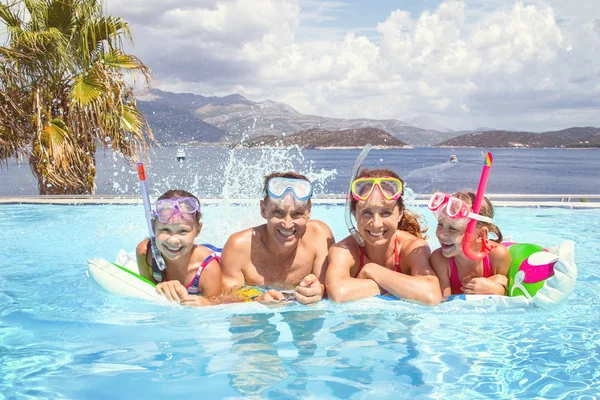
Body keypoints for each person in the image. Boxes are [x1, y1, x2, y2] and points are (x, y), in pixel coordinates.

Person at [326, 168, 441, 305]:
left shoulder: (412, 247)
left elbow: (431, 295)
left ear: (399, 214)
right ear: (354, 214)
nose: (376, 224)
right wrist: (397, 287)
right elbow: (338, 294)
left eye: (385, 213)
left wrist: (372, 270)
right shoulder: (344, 250)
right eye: (367, 213)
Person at [220, 172, 335, 305]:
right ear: (263, 209)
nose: (287, 224)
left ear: (308, 211)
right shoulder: (238, 247)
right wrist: (256, 299)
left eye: (297, 214)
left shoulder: (319, 237)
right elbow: (223, 297)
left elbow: (332, 287)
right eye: (278, 213)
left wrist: (319, 290)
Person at [136, 189, 222, 306]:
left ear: (198, 230)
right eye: (165, 230)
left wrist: (207, 304)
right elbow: (146, 292)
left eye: (182, 231)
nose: (173, 240)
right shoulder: (145, 252)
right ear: (153, 227)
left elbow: (218, 304)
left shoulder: (208, 268)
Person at [428, 191, 511, 297]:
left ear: (480, 235)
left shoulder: (498, 256)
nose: (442, 234)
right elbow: (443, 303)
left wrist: (497, 289)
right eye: (440, 225)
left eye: (453, 229)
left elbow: (510, 294)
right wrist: (483, 287)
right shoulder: (440, 260)